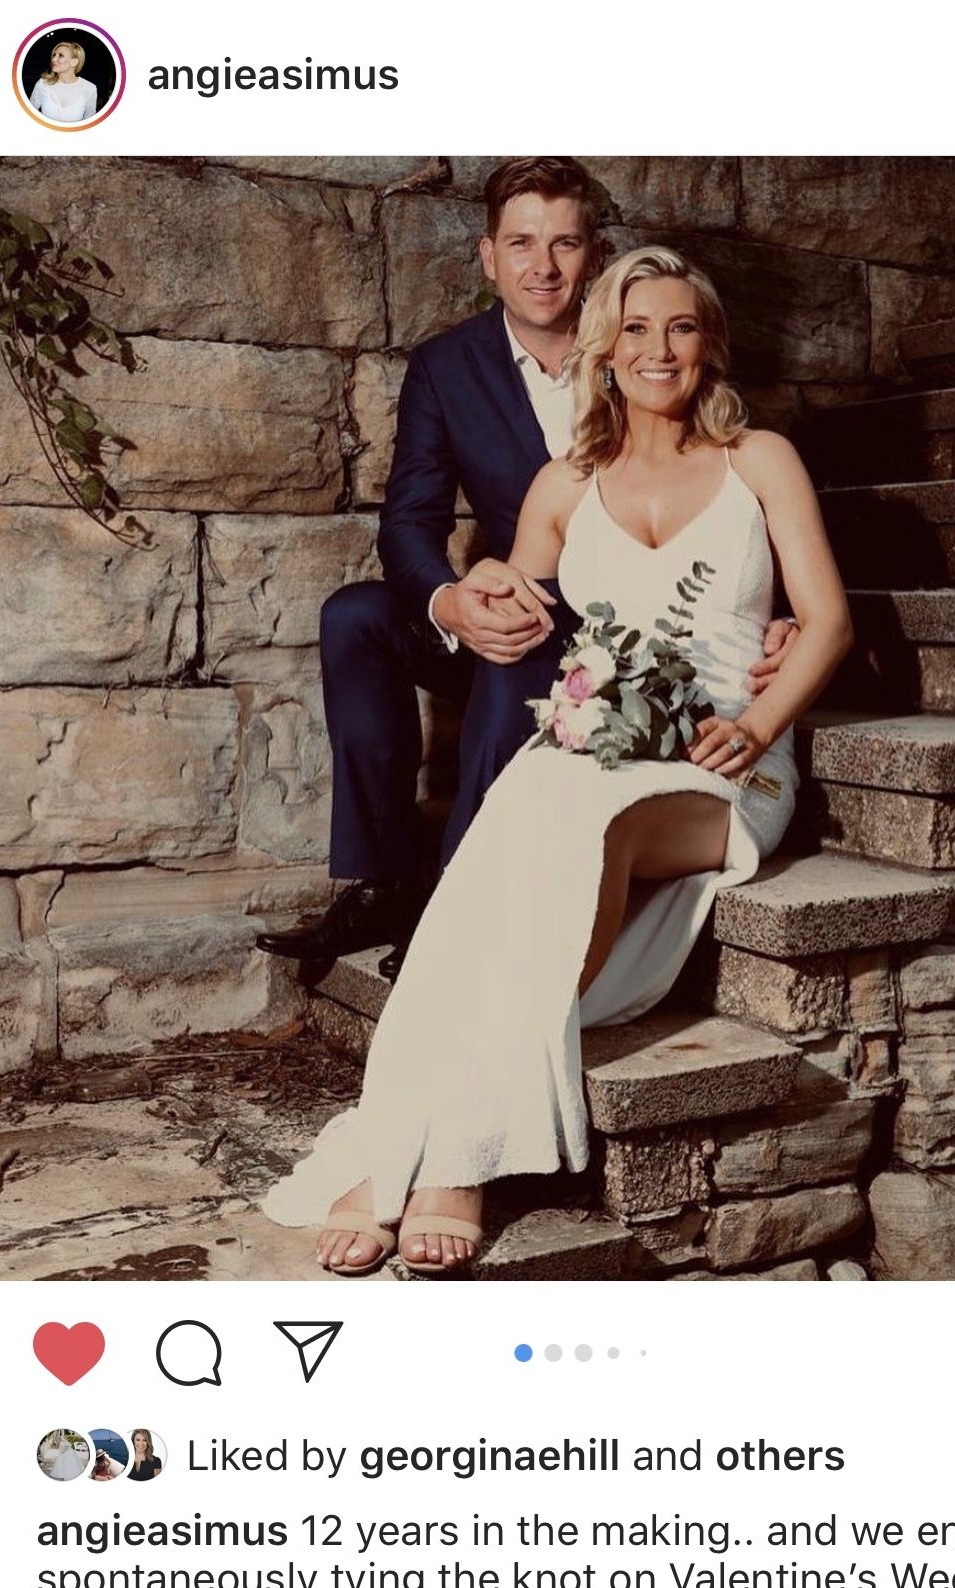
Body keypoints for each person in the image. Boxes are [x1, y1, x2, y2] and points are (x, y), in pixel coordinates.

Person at [264, 247, 853, 1276]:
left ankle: (451, 1157)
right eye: (634, 329)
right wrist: (479, 591)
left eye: (679, 327)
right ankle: (408, 1137)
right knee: (515, 819)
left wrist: (759, 726)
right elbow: (507, 610)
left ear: (709, 344)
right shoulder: (564, 484)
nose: (657, 349)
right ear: (604, 351)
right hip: (594, 745)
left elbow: (830, 623)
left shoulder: (760, 460)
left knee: (584, 824)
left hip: (723, 762)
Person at [257, 159, 798, 978]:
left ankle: (457, 901)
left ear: (595, 254)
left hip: (619, 642)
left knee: (518, 653)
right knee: (356, 617)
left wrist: (778, 612)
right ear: (488, 257)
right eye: (520, 244)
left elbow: (728, 496)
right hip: (511, 601)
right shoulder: (446, 367)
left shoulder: (643, 343)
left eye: (564, 244)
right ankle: (385, 879)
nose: (542, 267)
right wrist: (449, 602)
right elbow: (409, 521)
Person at [29, 40, 98, 122]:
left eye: (61, 55)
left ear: (74, 62)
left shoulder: (89, 88)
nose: (54, 59)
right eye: (54, 55)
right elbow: (30, 113)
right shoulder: (43, 83)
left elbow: (89, 121)